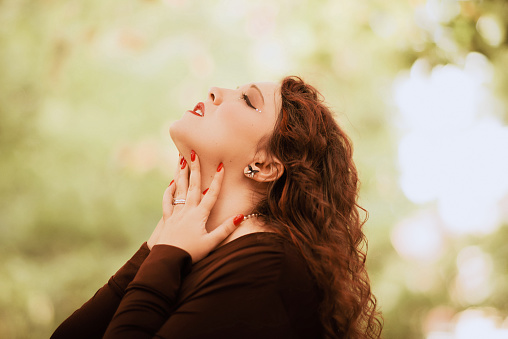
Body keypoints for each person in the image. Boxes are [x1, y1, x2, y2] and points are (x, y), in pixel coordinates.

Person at [51, 76, 382, 339]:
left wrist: (166, 252)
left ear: (264, 165)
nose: (214, 91)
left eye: (248, 100)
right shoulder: (193, 251)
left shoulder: (268, 268)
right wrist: (157, 247)